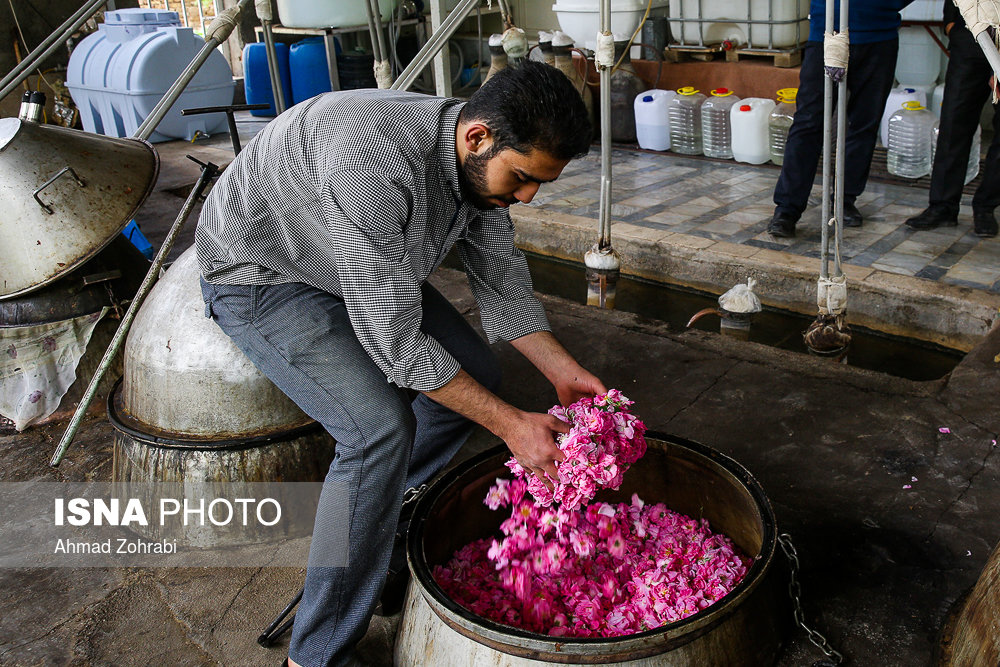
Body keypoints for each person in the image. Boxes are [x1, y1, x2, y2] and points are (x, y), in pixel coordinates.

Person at [195, 61, 605, 667]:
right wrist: (514, 427)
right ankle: (314, 653)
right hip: (263, 273)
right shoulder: (374, 161)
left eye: (538, 184)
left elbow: (498, 276)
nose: (526, 196)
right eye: (521, 178)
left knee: (478, 377)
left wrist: (562, 371)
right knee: (377, 433)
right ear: (478, 138)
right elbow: (390, 338)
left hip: (352, 266)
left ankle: (376, 524)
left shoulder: (473, 153)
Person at [767, 0, 912, 237]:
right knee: (809, 121)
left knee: (864, 122)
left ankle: (845, 199)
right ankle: (787, 208)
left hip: (878, 34)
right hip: (828, 33)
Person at [904, 3, 999, 237]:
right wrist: (952, 25)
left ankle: (986, 206)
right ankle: (942, 206)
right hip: (970, 38)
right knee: (954, 122)